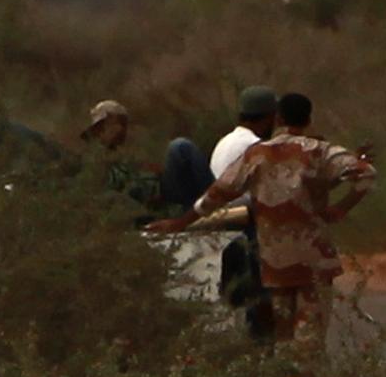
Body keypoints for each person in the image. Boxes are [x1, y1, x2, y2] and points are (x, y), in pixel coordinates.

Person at [153, 92, 374, 347]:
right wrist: (341, 208)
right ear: (309, 119)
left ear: (279, 117)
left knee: (282, 339)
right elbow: (365, 174)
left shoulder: (257, 154)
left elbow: (216, 195)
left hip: (276, 263)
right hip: (314, 264)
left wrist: (181, 222)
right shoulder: (320, 151)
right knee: (309, 343)